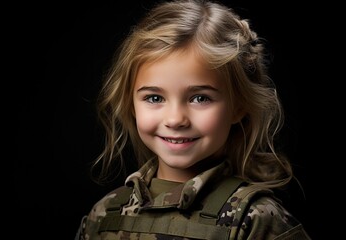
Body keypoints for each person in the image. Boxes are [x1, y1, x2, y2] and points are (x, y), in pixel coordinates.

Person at [75, 0, 311, 239]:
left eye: (200, 98)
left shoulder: (255, 219)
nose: (175, 119)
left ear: (238, 107)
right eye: (155, 98)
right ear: (131, 104)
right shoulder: (103, 215)